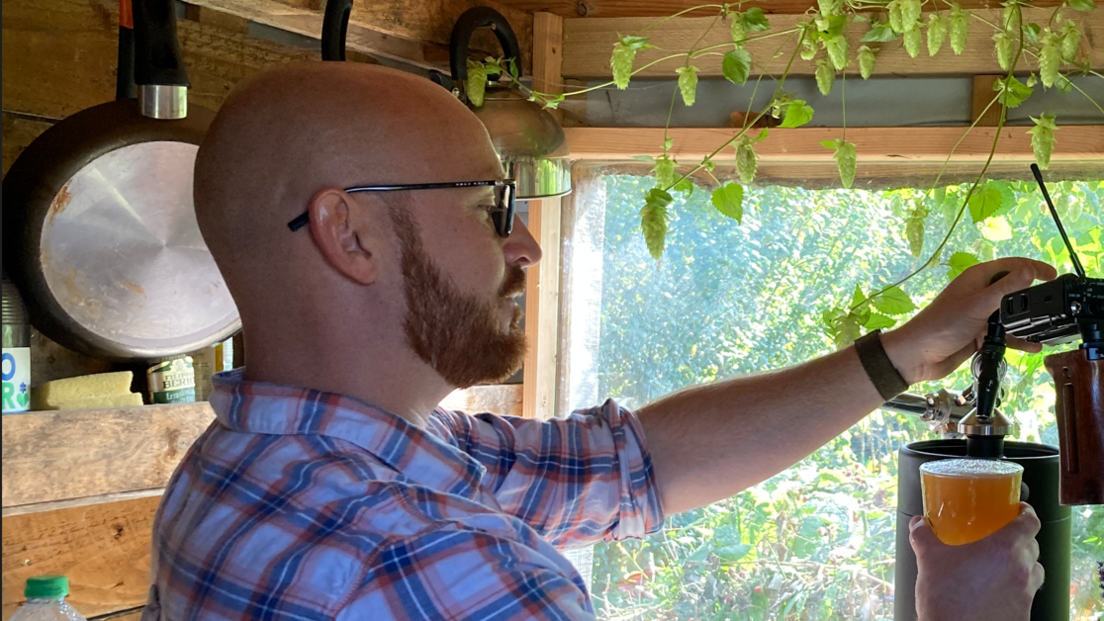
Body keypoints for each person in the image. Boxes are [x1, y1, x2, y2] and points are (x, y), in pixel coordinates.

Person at [142, 61, 1050, 621]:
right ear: (350, 235)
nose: (527, 244)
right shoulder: (428, 561)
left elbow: (631, 464)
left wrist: (905, 351)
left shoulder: (252, 465)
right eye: (486, 206)